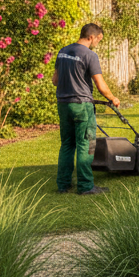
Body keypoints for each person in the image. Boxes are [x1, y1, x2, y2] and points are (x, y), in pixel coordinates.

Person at [53, 22, 121, 196]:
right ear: (91, 37)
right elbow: (100, 84)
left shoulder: (63, 52)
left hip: (63, 104)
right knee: (87, 144)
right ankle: (85, 186)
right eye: (99, 39)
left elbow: (55, 80)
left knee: (67, 145)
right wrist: (112, 98)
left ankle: (63, 185)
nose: (98, 43)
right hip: (82, 106)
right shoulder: (90, 55)